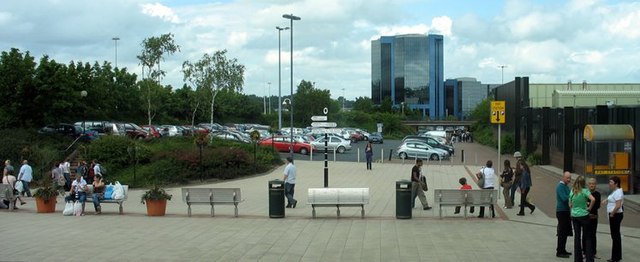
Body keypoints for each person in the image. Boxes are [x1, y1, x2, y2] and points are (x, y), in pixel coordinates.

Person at [569, 175, 595, 262]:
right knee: (587, 237)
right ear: (584, 183)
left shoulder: (573, 191)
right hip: (584, 215)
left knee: (577, 237)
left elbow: (570, 204)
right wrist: (589, 208)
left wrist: (574, 208)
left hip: (575, 216)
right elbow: (593, 199)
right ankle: (589, 259)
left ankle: (578, 259)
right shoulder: (585, 191)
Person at [602, 176, 624, 262]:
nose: (609, 184)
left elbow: (618, 205)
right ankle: (617, 256)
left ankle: (615, 257)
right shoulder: (615, 191)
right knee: (615, 236)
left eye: (611, 182)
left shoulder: (618, 192)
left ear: (616, 183)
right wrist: (606, 200)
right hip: (614, 215)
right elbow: (612, 199)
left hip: (616, 215)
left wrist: (612, 213)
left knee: (615, 236)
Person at [556, 171, 573, 258]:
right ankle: (559, 251)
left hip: (566, 211)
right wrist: (571, 197)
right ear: (563, 177)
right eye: (567, 178)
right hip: (561, 211)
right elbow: (564, 198)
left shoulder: (566, 186)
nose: (569, 179)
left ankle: (563, 249)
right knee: (562, 232)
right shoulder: (560, 187)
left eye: (570, 178)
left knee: (565, 231)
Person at [583, 178, 601, 259]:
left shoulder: (598, 194)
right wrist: (590, 204)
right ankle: (584, 252)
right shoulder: (585, 193)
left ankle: (593, 252)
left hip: (594, 217)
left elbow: (597, 206)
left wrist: (589, 204)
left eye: (593, 184)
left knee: (593, 235)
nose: (591, 185)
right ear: (588, 185)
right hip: (585, 217)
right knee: (585, 234)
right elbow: (583, 205)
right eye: (590, 183)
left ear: (595, 185)